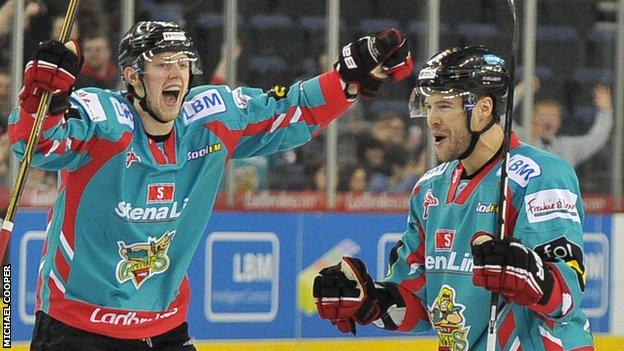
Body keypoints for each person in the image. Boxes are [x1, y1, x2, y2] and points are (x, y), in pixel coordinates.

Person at [8, 21, 412, 350]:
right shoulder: (102, 120)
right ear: (132, 76)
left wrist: (346, 80)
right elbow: (35, 144)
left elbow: (289, 110)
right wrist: (43, 99)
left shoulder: (210, 120)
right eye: (163, 63)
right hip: (78, 330)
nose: (177, 74)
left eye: (182, 63)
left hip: (164, 328)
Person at [313, 46, 594, 350]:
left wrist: (529, 273)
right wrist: (370, 301)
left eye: (444, 106)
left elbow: (566, 297)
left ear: (484, 108)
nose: (431, 119)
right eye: (428, 106)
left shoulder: (540, 175)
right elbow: (420, 304)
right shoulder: (429, 190)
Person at [513, 78, 613, 168]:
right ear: (533, 119)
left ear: (559, 121)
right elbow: (502, 118)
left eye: (553, 116)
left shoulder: (568, 147)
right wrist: (519, 91)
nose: (549, 119)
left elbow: (596, 138)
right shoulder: (520, 140)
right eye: (544, 115)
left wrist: (605, 111)